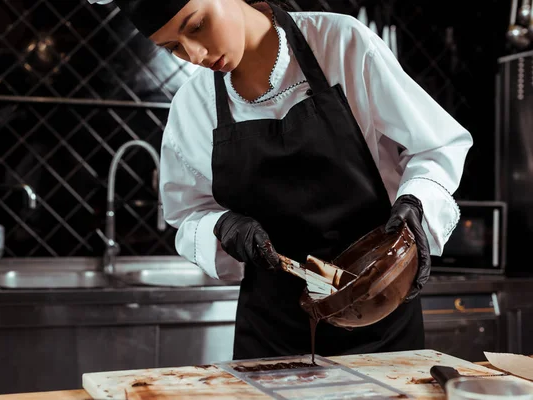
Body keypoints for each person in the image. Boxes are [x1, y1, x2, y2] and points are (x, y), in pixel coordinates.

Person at [88, 0, 473, 359]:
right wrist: (221, 227)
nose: (195, 55)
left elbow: (437, 146)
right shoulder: (193, 106)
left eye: (198, 25)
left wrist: (417, 204)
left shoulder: (340, 43)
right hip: (271, 334)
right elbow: (186, 214)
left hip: (379, 310)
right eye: (173, 46)